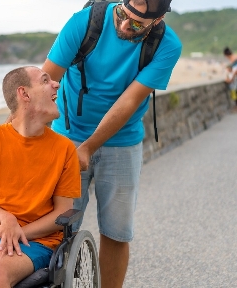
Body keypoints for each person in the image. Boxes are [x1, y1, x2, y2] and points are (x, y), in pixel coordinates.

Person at [41, 0, 182, 287]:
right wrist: (11, 139)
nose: (124, 26)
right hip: (66, 135)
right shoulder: (84, 22)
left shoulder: (167, 44)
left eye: (138, 25)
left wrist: (89, 147)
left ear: (156, 22)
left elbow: (129, 101)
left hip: (123, 142)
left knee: (117, 233)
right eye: (122, 15)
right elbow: (45, 83)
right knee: (55, 229)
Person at [0, 66, 81, 288]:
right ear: (24, 94)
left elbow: (63, 211)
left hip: (38, 240)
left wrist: (17, 232)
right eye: (45, 81)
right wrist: (7, 220)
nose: (56, 84)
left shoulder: (64, 149)